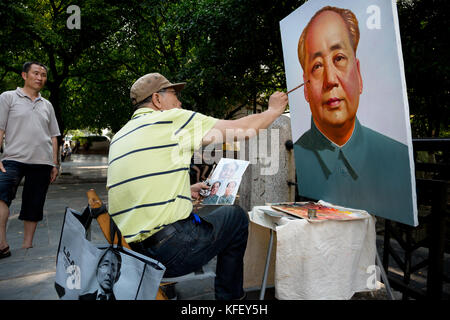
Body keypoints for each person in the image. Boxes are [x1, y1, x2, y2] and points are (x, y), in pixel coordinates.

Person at [107, 72, 288, 300]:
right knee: (235, 217)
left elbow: (139, 186)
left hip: (131, 252)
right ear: (157, 100)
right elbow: (242, 130)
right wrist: (273, 110)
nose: (180, 102)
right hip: (167, 252)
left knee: (210, 220)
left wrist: (184, 192)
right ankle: (230, 300)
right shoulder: (171, 118)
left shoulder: (120, 136)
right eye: (174, 95)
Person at [294, 6, 413, 225]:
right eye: (318, 66)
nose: (331, 79)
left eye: (339, 58)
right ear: (305, 88)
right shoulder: (297, 154)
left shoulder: (396, 156)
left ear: (358, 73)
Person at [0, 61, 60, 258]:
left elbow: (53, 136)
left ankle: (27, 246)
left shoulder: (47, 105)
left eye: (43, 75)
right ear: (24, 75)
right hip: (12, 158)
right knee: (1, 197)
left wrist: (54, 163)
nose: (40, 78)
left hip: (42, 161)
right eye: (35, 73)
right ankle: (2, 243)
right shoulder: (8, 97)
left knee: (34, 204)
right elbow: (0, 129)